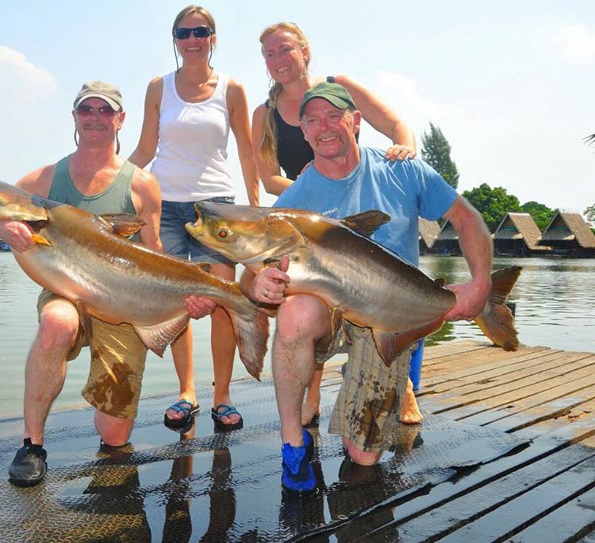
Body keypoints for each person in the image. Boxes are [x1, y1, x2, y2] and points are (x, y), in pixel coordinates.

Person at [248, 82, 493, 493]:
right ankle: (293, 443)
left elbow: (468, 219)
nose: (324, 127)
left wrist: (482, 283)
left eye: (334, 116)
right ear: (303, 133)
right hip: (330, 312)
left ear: (356, 121)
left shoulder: (403, 168)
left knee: (363, 454)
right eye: (313, 121)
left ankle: (369, 394)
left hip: (389, 316)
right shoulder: (294, 200)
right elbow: (257, 267)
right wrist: (258, 283)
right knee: (294, 313)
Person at [0, 81, 165, 487]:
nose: (95, 118)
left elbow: (156, 254)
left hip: (121, 300)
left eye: (105, 111)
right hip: (65, 291)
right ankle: (32, 444)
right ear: (74, 118)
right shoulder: (43, 180)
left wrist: (182, 301)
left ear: (120, 120)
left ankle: (109, 423)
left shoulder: (141, 183)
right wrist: (1, 224)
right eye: (86, 110)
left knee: (114, 436)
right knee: (56, 323)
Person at [251, 21, 423, 428]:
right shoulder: (265, 114)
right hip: (309, 220)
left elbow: (397, 126)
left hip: (364, 207)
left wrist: (405, 151)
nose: (278, 60)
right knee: (310, 304)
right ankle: (311, 391)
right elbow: (267, 177)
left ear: (305, 51)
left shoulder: (340, 86)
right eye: (269, 55)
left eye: (285, 50)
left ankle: (406, 386)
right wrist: (309, 186)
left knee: (393, 286)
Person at [128, 5, 259, 433]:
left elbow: (246, 152)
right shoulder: (157, 88)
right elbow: (146, 150)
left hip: (216, 208)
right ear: (175, 39)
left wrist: (253, 207)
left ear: (213, 38)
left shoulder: (233, 90)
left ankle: (223, 397)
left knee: (221, 301)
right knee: (179, 302)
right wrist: (112, 183)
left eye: (201, 31)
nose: (192, 38)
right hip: (164, 206)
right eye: (184, 32)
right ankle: (187, 393)